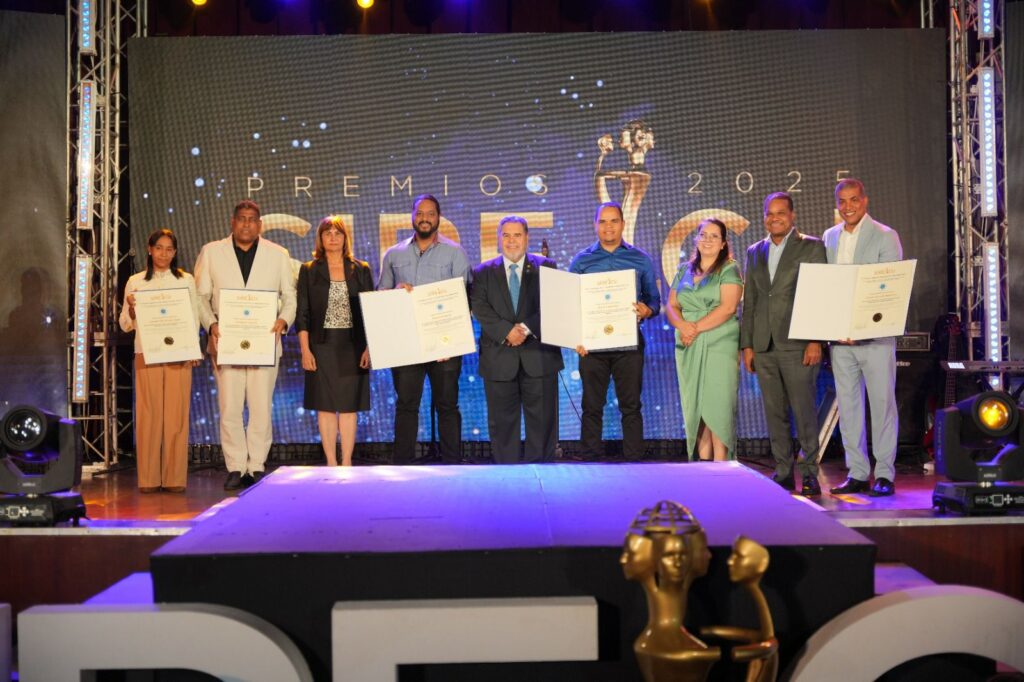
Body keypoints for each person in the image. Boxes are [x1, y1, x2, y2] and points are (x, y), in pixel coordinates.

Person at [195, 200, 297, 490]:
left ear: (260, 224)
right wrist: (211, 324)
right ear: (233, 222)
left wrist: (283, 320)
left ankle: (256, 466)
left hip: (265, 341)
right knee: (229, 407)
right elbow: (200, 297)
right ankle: (236, 466)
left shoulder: (278, 254)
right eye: (242, 218)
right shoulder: (211, 252)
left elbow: (290, 296)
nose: (247, 224)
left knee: (261, 407)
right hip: (226, 341)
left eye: (252, 219)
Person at [739, 192, 826, 497]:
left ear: (792, 216)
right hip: (764, 346)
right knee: (774, 413)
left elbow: (819, 294)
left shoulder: (812, 246)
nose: (774, 218)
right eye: (770, 213)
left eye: (781, 213)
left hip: (798, 343)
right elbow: (750, 301)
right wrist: (747, 346)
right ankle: (784, 471)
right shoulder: (755, 251)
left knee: (804, 413)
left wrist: (815, 339)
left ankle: (811, 473)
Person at [824, 178, 904, 497]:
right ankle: (857, 472)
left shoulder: (885, 235)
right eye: (842, 201)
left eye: (854, 199)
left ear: (865, 201)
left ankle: (884, 474)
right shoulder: (830, 237)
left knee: (882, 405)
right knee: (848, 407)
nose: (848, 207)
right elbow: (828, 287)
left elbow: (888, 288)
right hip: (840, 340)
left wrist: (861, 327)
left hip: (874, 338)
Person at [378, 194, 471, 464]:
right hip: (406, 343)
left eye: (430, 213)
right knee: (406, 405)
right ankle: (402, 465)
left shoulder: (455, 252)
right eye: (419, 213)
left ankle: (452, 464)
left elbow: (464, 299)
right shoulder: (394, 254)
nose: (425, 218)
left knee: (447, 405)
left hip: (445, 344)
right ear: (412, 216)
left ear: (438, 217)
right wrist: (394, 292)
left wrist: (451, 343)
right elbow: (380, 296)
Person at [569, 201, 660, 460]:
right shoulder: (582, 261)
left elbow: (654, 301)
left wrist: (647, 310)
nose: (608, 226)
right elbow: (569, 303)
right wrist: (575, 337)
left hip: (628, 344)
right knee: (591, 405)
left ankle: (634, 458)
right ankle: (590, 457)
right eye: (603, 221)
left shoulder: (640, 259)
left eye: (613, 221)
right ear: (595, 225)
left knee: (631, 405)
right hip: (591, 345)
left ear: (622, 223)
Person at [470, 216, 563, 463]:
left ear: (527, 238)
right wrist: (506, 331)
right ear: (499, 238)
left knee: (542, 424)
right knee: (502, 426)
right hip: (498, 358)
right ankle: (507, 477)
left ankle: (542, 474)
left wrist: (524, 328)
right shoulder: (482, 272)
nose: (512, 241)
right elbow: (479, 307)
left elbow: (554, 303)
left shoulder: (547, 267)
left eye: (517, 235)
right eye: (506, 235)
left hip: (539, 357)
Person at [118, 229, 200, 493]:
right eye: (159, 248)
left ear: (174, 253)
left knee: (176, 417)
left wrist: (193, 350)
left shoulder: (186, 280)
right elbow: (124, 323)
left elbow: (194, 316)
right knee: (149, 416)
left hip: (179, 353)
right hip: (147, 352)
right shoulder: (135, 282)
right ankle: (149, 479)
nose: (164, 254)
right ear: (150, 250)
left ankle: (174, 478)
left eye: (169, 249)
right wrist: (133, 311)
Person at [296, 216, 373, 467]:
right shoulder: (309, 270)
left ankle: (347, 462)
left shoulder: (361, 269)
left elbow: (371, 311)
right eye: (327, 233)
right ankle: (331, 462)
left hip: (353, 346)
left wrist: (369, 347)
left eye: (337, 233)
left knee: (349, 406)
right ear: (320, 238)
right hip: (321, 346)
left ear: (345, 238)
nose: (332, 237)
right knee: (325, 405)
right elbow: (303, 313)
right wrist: (305, 350)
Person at [665, 218, 743, 461]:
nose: (708, 240)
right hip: (688, 344)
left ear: (723, 243)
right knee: (696, 406)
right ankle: (703, 467)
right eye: (703, 234)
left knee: (717, 404)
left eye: (714, 236)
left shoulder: (729, 269)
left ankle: (721, 466)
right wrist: (682, 326)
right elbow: (671, 305)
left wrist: (695, 328)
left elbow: (728, 307)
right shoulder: (683, 270)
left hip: (719, 342)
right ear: (696, 239)